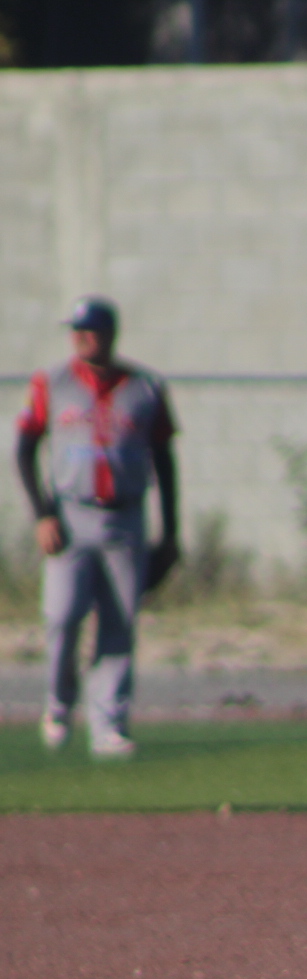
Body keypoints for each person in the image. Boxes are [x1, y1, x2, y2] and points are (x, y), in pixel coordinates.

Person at [15, 296, 180, 760]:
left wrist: (169, 533)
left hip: (125, 515)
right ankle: (59, 701)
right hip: (71, 515)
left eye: (90, 330)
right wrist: (42, 513)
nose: (82, 338)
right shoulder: (54, 382)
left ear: (109, 334)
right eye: (76, 331)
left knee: (119, 622)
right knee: (62, 616)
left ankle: (109, 722)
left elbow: (164, 459)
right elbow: (24, 448)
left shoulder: (144, 387)